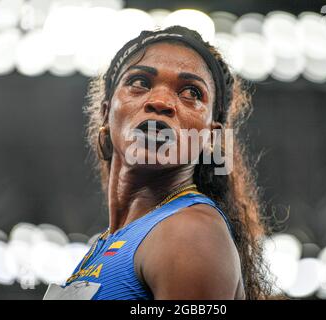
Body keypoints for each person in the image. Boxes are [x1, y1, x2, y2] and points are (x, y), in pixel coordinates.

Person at [45, 26, 271, 300]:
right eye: (139, 82)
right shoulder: (104, 244)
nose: (161, 102)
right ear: (106, 113)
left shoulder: (188, 231)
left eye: (191, 92)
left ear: (212, 137)